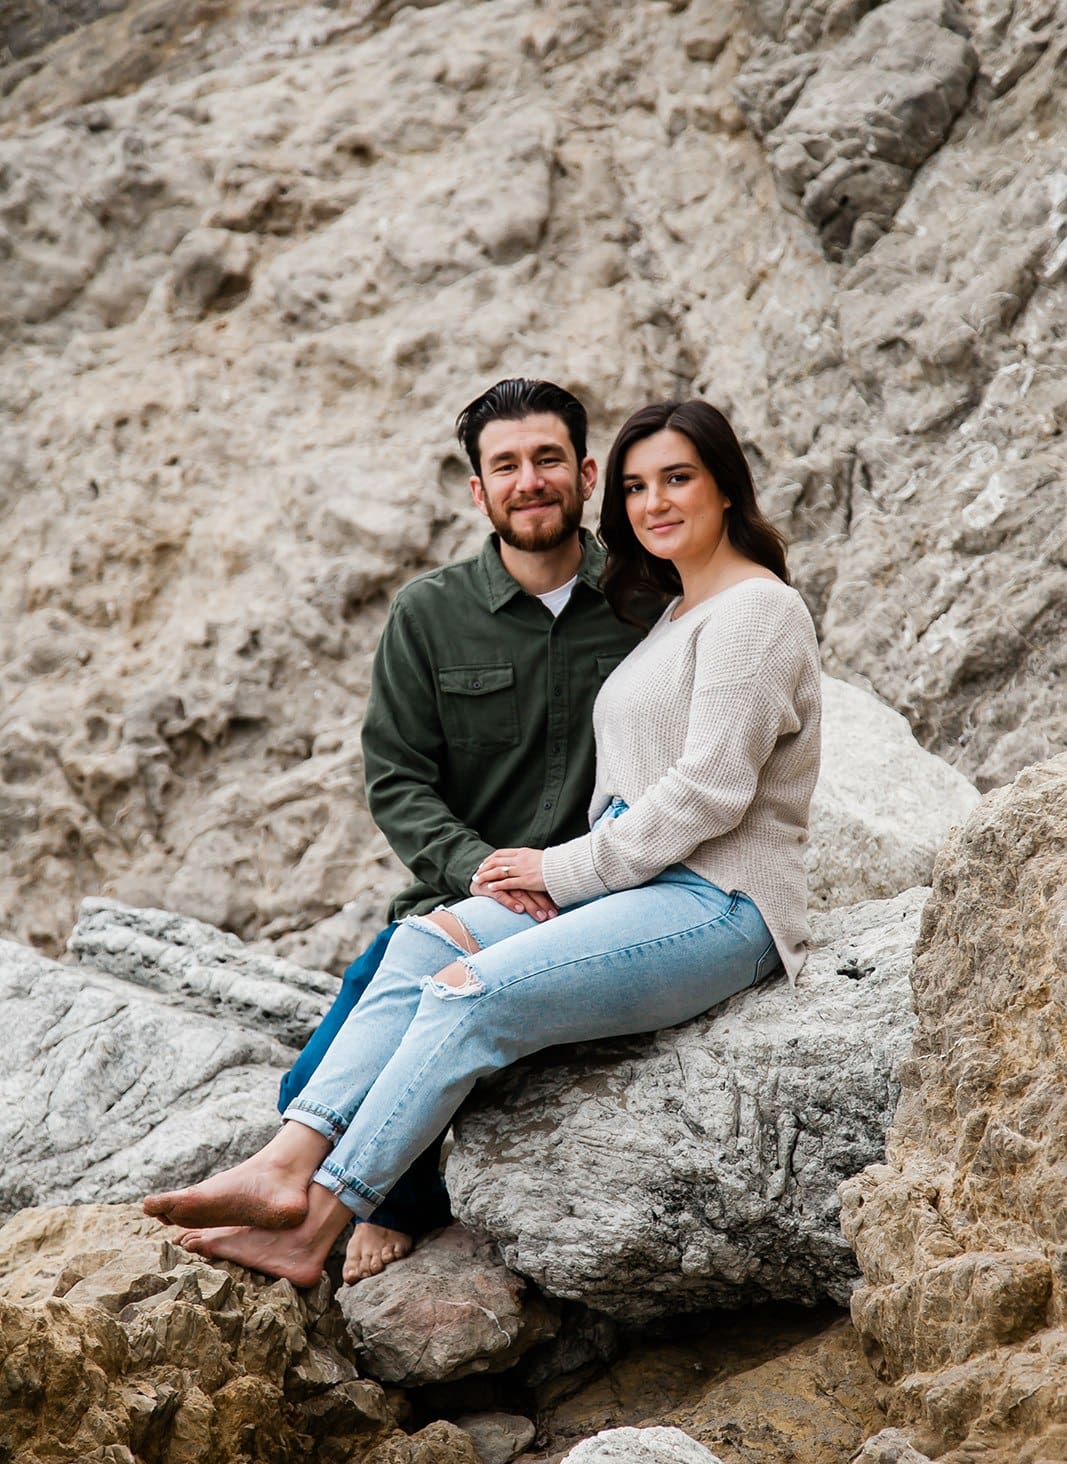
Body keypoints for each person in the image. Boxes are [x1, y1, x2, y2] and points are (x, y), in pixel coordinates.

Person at [144, 398, 823, 1288]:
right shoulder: (666, 607)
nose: (654, 502)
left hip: (716, 897)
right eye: (637, 486)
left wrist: (564, 871)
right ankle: (281, 1168)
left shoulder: (750, 612)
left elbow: (707, 791)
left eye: (676, 479)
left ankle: (319, 1222)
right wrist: (532, 878)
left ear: (725, 487)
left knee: (467, 997)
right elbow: (399, 778)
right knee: (424, 942)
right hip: (619, 884)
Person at [256, 378, 644, 1281]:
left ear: (584, 473)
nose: (529, 480)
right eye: (504, 465)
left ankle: (393, 1202)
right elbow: (398, 779)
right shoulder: (427, 616)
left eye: (548, 459)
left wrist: (577, 873)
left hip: (603, 893)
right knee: (306, 1093)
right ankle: (377, 1200)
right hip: (461, 899)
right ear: (478, 490)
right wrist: (481, 870)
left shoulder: (646, 602)